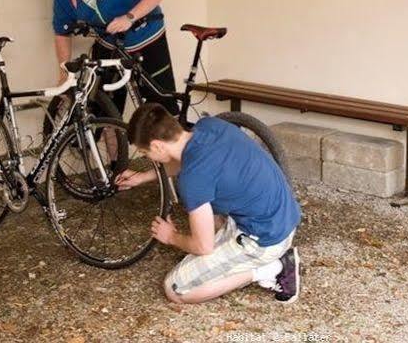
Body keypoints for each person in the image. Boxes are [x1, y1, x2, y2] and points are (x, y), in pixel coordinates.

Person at [117, 103, 302, 304]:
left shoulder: (193, 178)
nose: (147, 158)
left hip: (264, 240)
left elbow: (203, 246)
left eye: (145, 154)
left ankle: (273, 268)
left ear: (157, 146)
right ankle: (248, 256)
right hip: (283, 216)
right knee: (211, 214)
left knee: (176, 289)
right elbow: (183, 161)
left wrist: (171, 236)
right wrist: (143, 177)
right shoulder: (209, 126)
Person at [38, 0, 178, 115]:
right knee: (102, 108)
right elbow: (62, 32)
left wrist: (129, 17)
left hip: (146, 36)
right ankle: (111, 138)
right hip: (109, 42)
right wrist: (64, 73)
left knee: (160, 105)